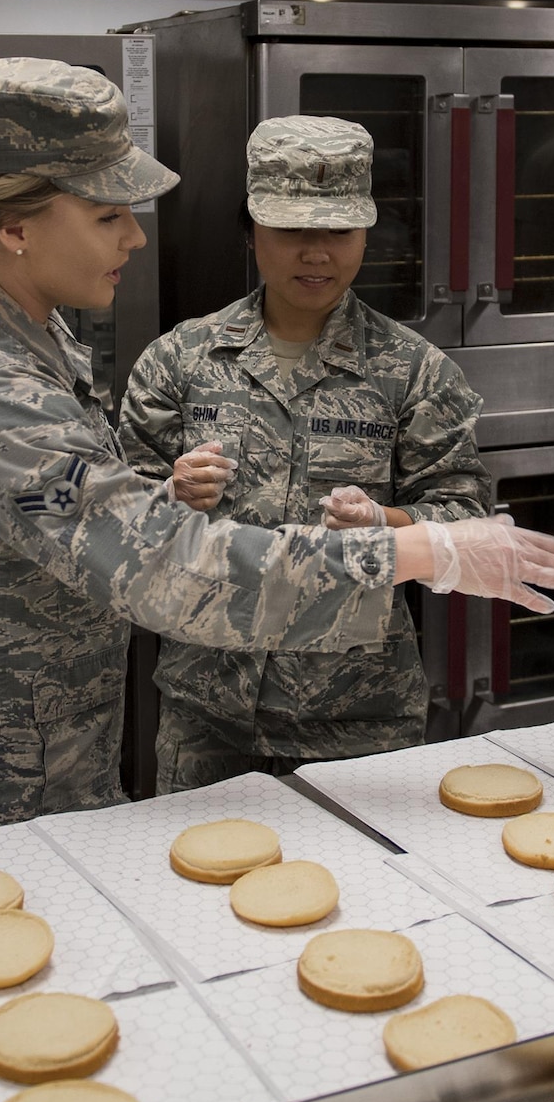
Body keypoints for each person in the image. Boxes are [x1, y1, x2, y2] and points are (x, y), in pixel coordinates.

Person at [0, 59, 554, 843]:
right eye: (108, 216)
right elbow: (163, 564)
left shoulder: (30, 334)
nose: (135, 234)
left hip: (56, 759)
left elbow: (93, 519)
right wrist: (415, 550)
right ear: (16, 228)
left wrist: (403, 523)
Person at [117, 116, 494, 791]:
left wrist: (388, 523)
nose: (317, 254)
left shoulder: (414, 373)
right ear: (252, 229)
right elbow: (111, 525)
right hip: (208, 717)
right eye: (293, 231)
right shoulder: (180, 362)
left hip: (361, 722)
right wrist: (166, 495)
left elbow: (467, 519)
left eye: (339, 232)